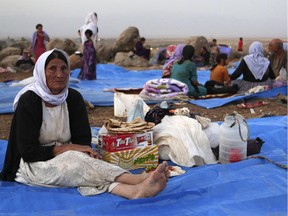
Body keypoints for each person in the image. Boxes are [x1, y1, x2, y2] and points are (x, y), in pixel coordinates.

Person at [0, 48, 169, 199]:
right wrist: (69, 148)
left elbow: (82, 140)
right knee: (77, 163)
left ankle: (133, 191)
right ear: (41, 73)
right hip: (34, 164)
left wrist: (82, 151)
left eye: (64, 68)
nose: (59, 74)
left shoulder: (73, 98)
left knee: (86, 165)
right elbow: (29, 152)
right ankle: (136, 179)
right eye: (52, 68)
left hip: (70, 157)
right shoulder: (29, 101)